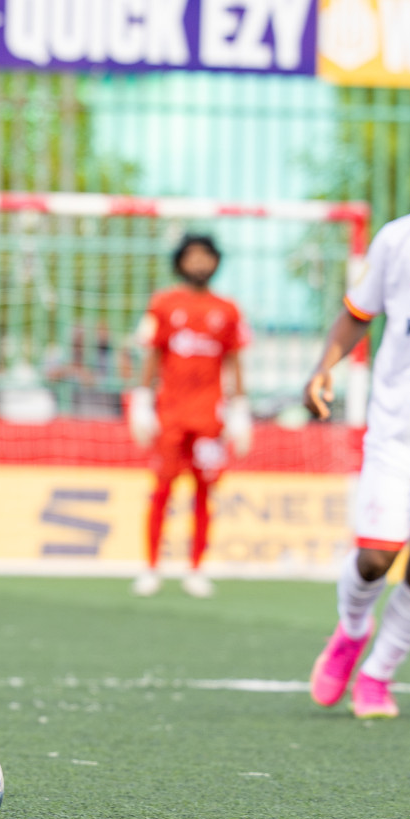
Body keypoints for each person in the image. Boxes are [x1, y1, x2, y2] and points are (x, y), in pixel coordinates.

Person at [306, 202, 410, 720]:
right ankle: (353, 629)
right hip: (398, 435)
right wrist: (324, 367)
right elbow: (357, 314)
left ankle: (378, 675)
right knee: (376, 558)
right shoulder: (402, 238)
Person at [127, 234, 251, 599]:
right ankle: (151, 567)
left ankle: (196, 568)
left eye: (206, 256)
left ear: (216, 262)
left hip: (209, 418)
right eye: (192, 256)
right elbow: (152, 353)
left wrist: (240, 409)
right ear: (180, 262)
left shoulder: (228, 310)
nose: (199, 263)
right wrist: (142, 398)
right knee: (162, 489)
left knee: (204, 492)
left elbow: (234, 359)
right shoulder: (163, 304)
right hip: (171, 415)